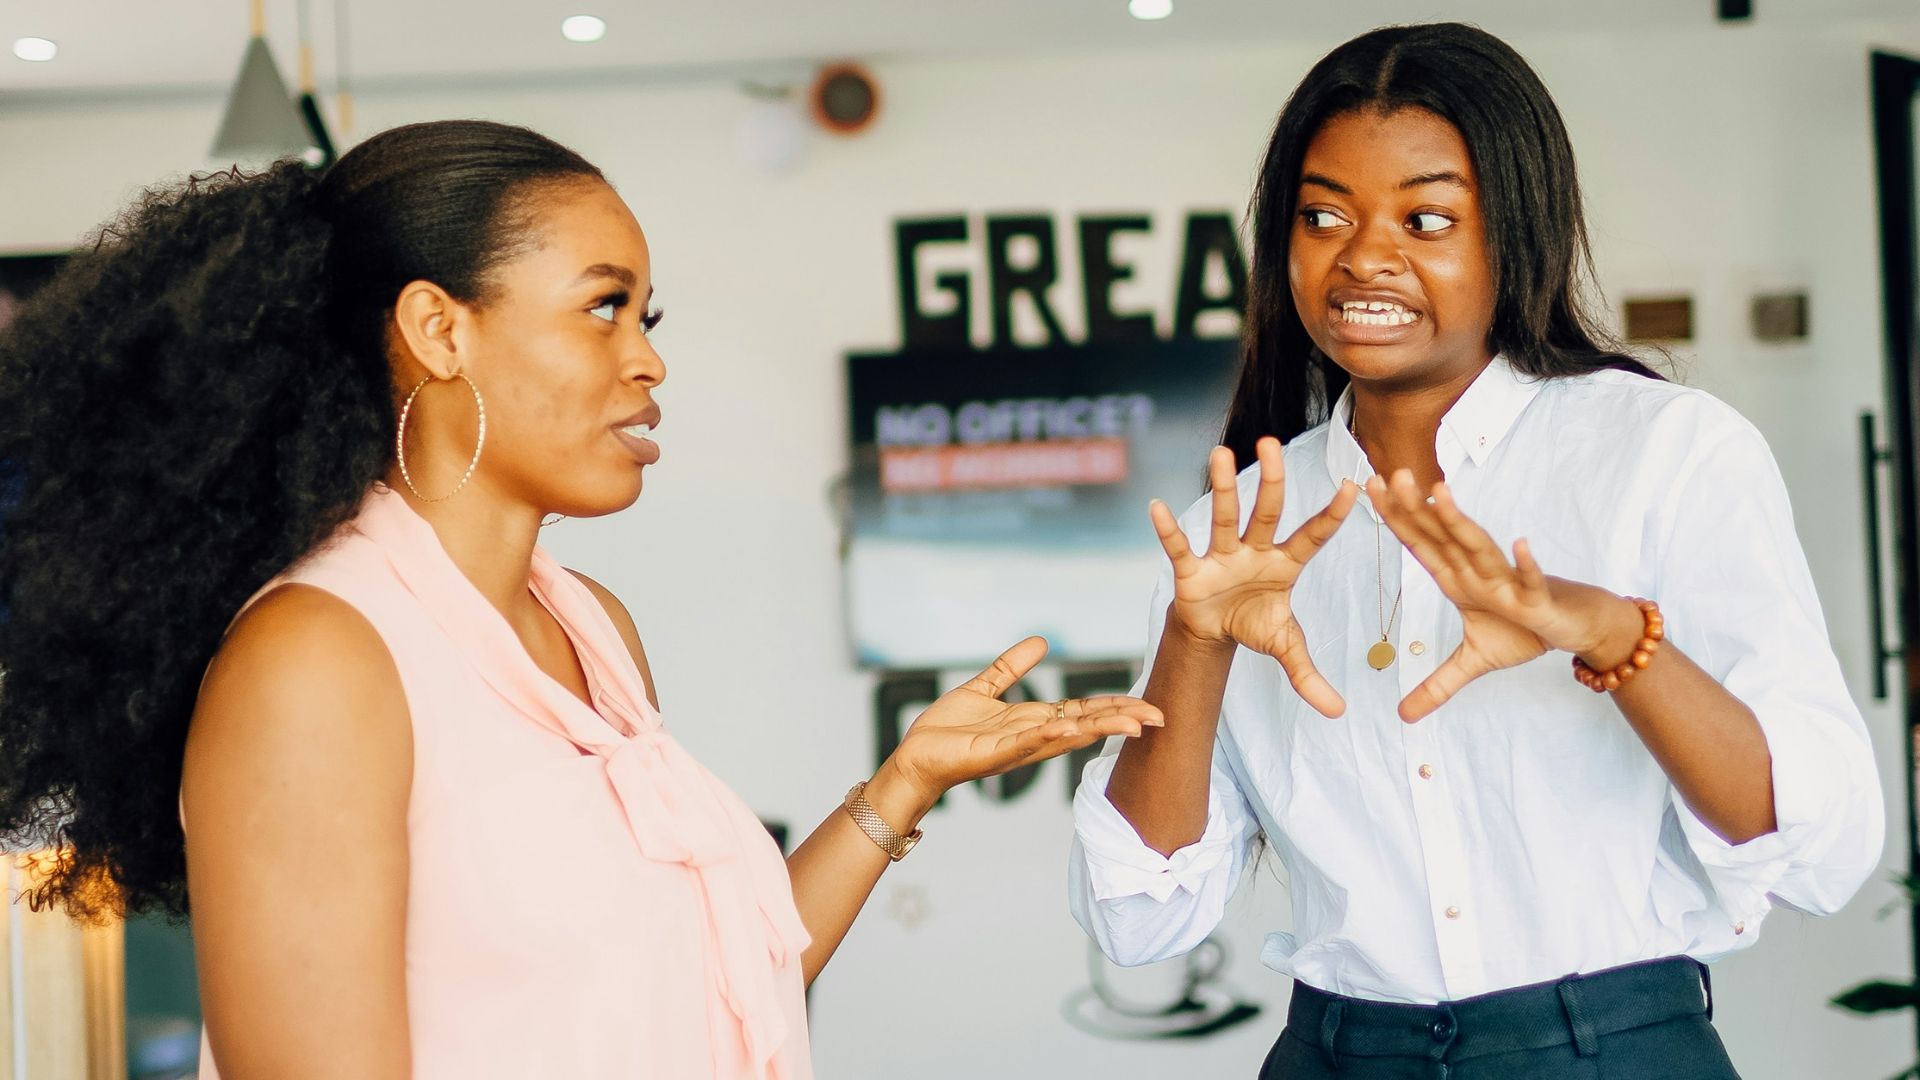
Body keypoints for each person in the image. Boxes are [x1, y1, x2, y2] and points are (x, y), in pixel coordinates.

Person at [0, 119, 1164, 1079]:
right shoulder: (321, 660)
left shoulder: (592, 628)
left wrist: (902, 786)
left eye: (646, 317)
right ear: (437, 330)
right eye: (603, 305)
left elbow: (709, 992)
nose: (648, 360)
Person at [1068, 23, 1884, 1080]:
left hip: (1614, 1049)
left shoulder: (1663, 452)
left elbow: (1819, 851)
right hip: (1339, 1052)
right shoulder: (1252, 521)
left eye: (1426, 217)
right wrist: (1195, 644)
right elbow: (1139, 920)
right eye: (1323, 216)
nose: (1364, 256)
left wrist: (1615, 638)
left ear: (1516, 235)